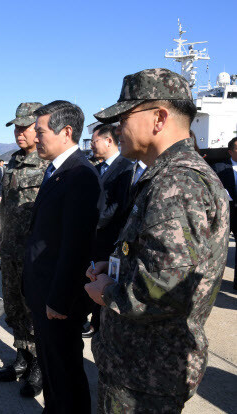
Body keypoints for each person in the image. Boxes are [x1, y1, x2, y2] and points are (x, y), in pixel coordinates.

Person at [85, 68, 230, 413]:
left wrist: (107, 291)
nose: (117, 129)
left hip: (146, 373)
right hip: (139, 365)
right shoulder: (167, 176)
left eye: (124, 118)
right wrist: (118, 267)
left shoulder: (177, 182)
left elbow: (165, 290)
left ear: (159, 118)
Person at [23, 100, 102, 413]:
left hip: (58, 299)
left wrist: (58, 299)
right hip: (44, 291)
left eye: (41, 131)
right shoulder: (58, 170)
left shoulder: (80, 175)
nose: (36, 137)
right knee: (53, 371)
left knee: (65, 372)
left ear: (66, 132)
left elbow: (76, 246)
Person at [0, 102, 48, 398]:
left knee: (33, 310)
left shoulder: (47, 164)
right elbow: (6, 205)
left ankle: (39, 364)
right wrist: (1, 237)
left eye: (23, 127)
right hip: (10, 250)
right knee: (13, 307)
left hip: (34, 253)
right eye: (15, 128)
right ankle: (21, 358)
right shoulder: (12, 161)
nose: (18, 133)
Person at [84, 124, 133, 338]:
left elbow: (119, 206)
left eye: (94, 141)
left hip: (110, 238)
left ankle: (99, 323)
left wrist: (92, 222)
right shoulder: (96, 168)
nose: (92, 146)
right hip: (93, 239)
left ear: (108, 141)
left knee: (106, 280)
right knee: (94, 276)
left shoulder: (126, 168)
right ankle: (94, 320)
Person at [213, 137, 237, 291]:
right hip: (225, 213)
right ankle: (213, 281)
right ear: (230, 151)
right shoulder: (219, 167)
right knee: (218, 249)